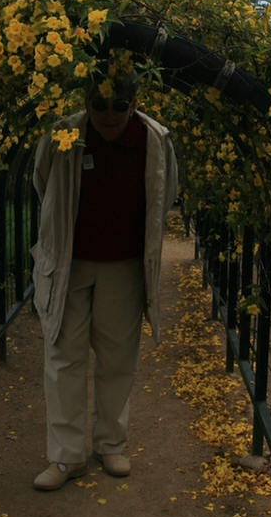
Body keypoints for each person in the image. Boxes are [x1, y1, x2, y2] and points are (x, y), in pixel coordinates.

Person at [31, 70, 178, 491]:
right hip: (68, 262)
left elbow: (166, 194)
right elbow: (43, 182)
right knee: (64, 356)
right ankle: (66, 458)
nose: (108, 116)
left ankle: (111, 443)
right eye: (99, 106)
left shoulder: (154, 139)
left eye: (119, 106)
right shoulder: (64, 135)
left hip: (124, 265)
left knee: (118, 357)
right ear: (86, 102)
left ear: (134, 104)